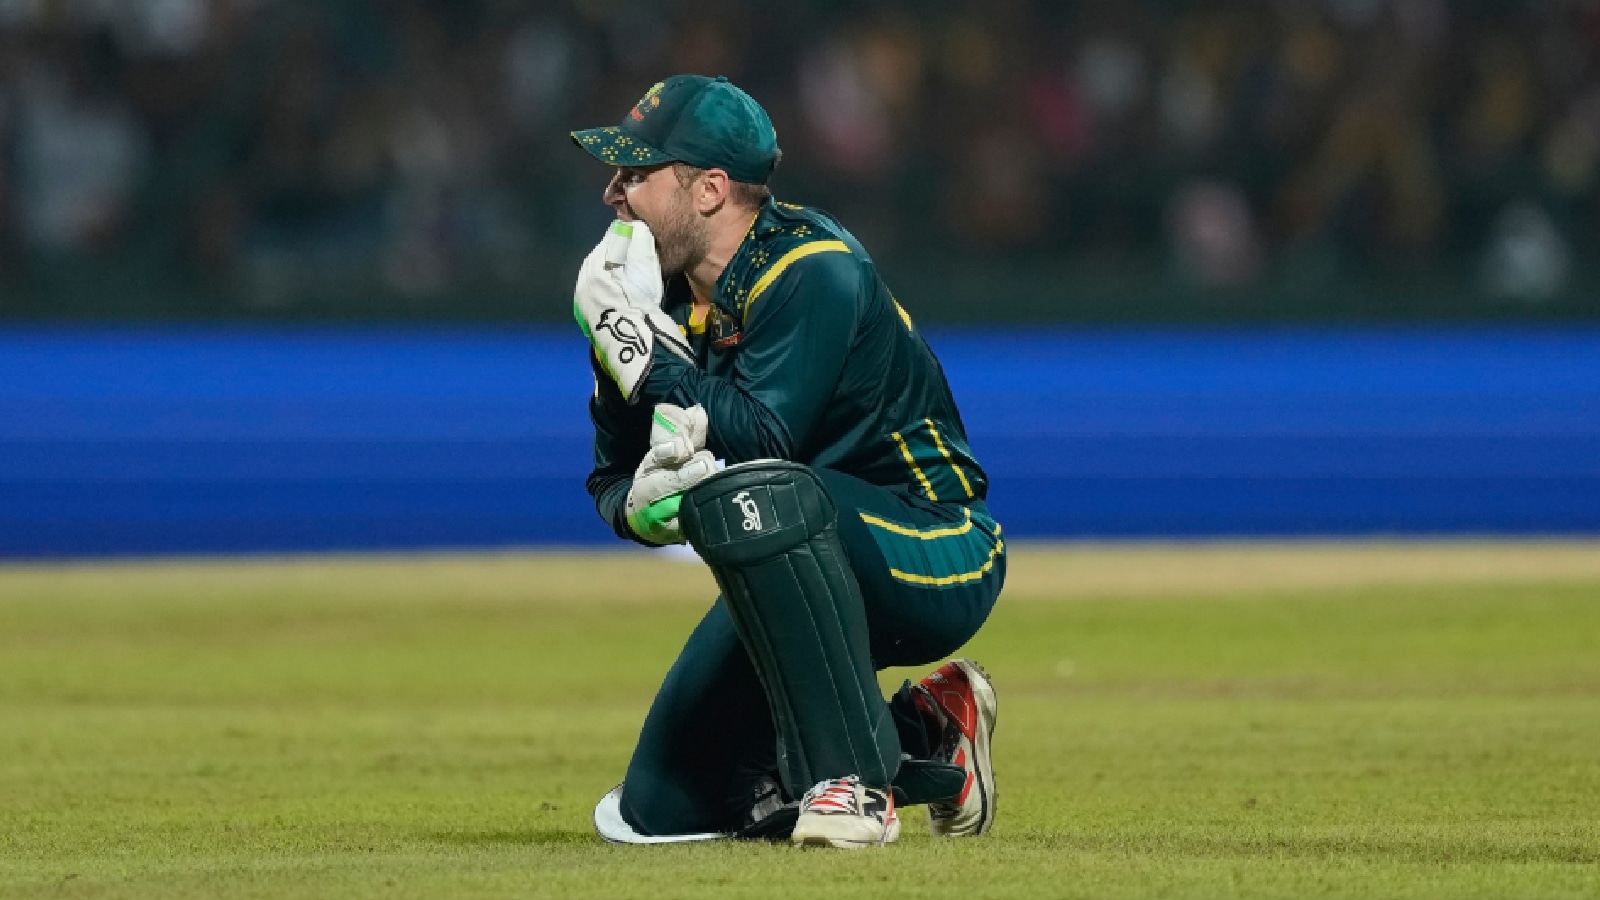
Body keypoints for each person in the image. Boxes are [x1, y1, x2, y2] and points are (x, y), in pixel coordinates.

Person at [570, 74, 1004, 848]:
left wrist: (636, 349)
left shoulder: (813, 266)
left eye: (636, 174)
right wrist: (635, 511)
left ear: (708, 189)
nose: (613, 193)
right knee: (658, 810)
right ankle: (927, 727)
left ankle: (855, 786)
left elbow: (763, 441)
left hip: (935, 546)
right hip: (791, 559)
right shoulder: (651, 299)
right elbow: (610, 477)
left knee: (768, 492)